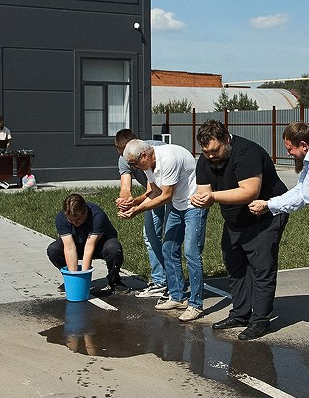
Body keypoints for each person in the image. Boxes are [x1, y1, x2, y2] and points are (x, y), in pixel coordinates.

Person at [191, 119, 287, 340]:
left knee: (262, 267)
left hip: (266, 214)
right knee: (235, 264)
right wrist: (201, 199)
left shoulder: (246, 153)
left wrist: (213, 197)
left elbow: (250, 192)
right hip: (236, 219)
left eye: (215, 150)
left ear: (226, 139)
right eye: (206, 152)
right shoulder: (205, 161)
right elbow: (204, 191)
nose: (211, 156)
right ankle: (241, 313)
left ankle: (260, 320)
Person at [119, 139, 207, 322]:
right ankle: (177, 297)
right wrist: (132, 203)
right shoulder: (149, 164)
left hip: (194, 204)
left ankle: (196, 304)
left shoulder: (168, 159)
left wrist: (137, 210)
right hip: (178, 204)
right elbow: (153, 192)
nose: (135, 168)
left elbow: (166, 196)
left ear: (144, 155)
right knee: (169, 247)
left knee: (191, 252)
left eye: (135, 164)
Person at [115, 127, 167, 299]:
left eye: (133, 161)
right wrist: (125, 199)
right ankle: (161, 280)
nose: (130, 163)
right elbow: (125, 187)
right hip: (154, 194)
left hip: (169, 192)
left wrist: (135, 205)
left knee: (171, 237)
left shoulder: (154, 150)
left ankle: (166, 281)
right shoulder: (124, 158)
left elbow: (154, 190)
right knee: (150, 235)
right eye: (127, 159)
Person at [47, 193, 123, 292]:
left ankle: (114, 280)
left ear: (86, 212)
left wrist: (84, 279)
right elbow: (69, 248)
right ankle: (69, 279)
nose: (75, 223)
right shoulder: (61, 218)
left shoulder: (97, 215)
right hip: (77, 244)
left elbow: (89, 247)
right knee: (53, 250)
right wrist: (75, 280)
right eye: (71, 220)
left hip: (100, 245)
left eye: (78, 219)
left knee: (114, 249)